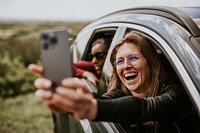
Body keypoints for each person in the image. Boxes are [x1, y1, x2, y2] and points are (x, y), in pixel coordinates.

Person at [30, 32, 200, 133]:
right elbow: (105, 100)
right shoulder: (119, 93)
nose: (126, 66)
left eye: (133, 58)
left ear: (151, 63)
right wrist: (85, 99)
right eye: (120, 61)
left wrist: (93, 108)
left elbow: (146, 107)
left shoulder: (177, 96)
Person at [29, 37, 110, 86]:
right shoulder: (92, 67)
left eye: (100, 56)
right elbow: (68, 66)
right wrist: (87, 74)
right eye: (91, 56)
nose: (94, 61)